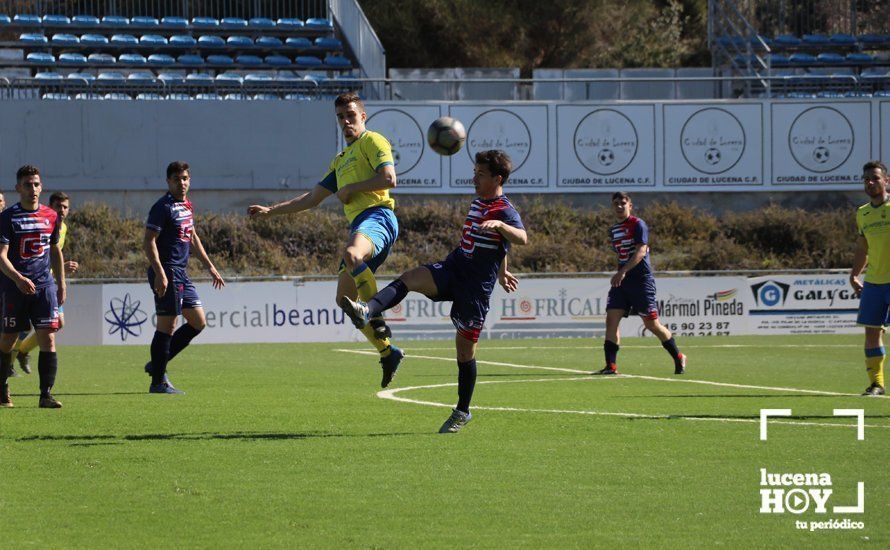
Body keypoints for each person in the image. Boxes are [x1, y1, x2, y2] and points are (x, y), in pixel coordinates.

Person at [341, 150, 527, 433]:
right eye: (474, 172)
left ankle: (463, 411)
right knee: (410, 277)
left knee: (464, 354)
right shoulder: (478, 203)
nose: (474, 178)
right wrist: (502, 270)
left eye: (480, 174)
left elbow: (521, 238)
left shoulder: (505, 210)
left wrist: (501, 229)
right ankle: (368, 310)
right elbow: (498, 245)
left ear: (497, 178)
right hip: (454, 267)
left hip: (475, 288)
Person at [248, 92, 404, 387]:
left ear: (363, 117)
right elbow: (311, 199)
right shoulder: (340, 160)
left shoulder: (373, 141)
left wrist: (352, 189)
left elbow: (389, 179)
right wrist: (271, 211)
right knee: (344, 299)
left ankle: (377, 316)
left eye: (351, 115)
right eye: (340, 117)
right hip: (360, 224)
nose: (346, 121)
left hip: (379, 217)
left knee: (352, 254)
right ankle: (387, 352)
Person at [143, 161, 225, 394]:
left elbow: (192, 237)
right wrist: (159, 273)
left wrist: (209, 266)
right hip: (167, 271)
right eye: (177, 179)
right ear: (168, 181)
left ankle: (158, 364)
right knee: (167, 325)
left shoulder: (187, 205)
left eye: (185, 178)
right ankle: (157, 382)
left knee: (198, 322)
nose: (182, 183)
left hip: (181, 272)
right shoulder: (162, 207)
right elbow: (148, 242)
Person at [594, 192, 686, 376]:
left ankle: (678, 356)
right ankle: (611, 366)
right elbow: (621, 254)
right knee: (611, 320)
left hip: (641, 281)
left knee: (652, 325)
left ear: (630, 205)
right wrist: (621, 273)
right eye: (616, 204)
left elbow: (641, 251)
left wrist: (622, 271)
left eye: (623, 203)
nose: (619, 206)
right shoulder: (613, 230)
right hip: (622, 282)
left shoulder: (638, 225)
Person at [0, 165, 65, 408]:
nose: (33, 189)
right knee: (8, 340)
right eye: (27, 184)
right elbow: (1, 255)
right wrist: (18, 278)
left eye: (36, 184)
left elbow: (55, 250)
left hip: (44, 286)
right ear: (18, 188)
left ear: (42, 186)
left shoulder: (51, 216)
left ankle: (45, 395)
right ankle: (2, 386)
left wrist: (61, 283)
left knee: (48, 338)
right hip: (14, 286)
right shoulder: (7, 218)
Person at [11, 191, 79, 375]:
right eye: (59, 206)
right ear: (51, 207)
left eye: (65, 207)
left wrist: (60, 270)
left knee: (57, 322)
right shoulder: (40, 221)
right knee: (22, 326)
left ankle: (21, 352)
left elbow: (51, 253)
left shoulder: (61, 227)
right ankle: (11, 360)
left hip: (46, 282)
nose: (62, 210)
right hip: (29, 280)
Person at [850, 160, 890, 397]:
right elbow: (862, 247)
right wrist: (855, 274)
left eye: (875, 178)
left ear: (887, 180)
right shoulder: (862, 213)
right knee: (872, 332)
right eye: (866, 179)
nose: (870, 182)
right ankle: (877, 384)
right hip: (874, 282)